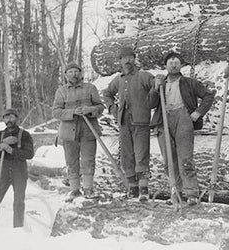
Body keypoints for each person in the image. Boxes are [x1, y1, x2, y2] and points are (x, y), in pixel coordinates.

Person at [149, 51, 215, 202]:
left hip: (183, 120)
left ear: (181, 66)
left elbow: (208, 95)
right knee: (169, 161)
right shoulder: (160, 83)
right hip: (163, 121)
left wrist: (198, 113)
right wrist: (155, 89)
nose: (173, 64)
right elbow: (151, 104)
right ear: (165, 66)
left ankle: (191, 194)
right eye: (170, 62)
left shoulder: (189, 83)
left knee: (185, 158)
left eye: (176, 62)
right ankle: (175, 194)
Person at [101, 46, 159, 199]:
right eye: (124, 58)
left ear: (134, 59)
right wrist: (113, 108)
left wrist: (158, 81)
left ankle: (144, 190)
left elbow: (155, 83)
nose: (127, 60)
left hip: (141, 122)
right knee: (127, 155)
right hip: (124, 123)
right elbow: (107, 93)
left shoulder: (143, 76)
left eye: (130, 57)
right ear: (119, 61)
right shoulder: (118, 79)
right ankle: (132, 188)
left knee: (141, 154)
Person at [52, 62, 104, 200]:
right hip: (69, 132)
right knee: (71, 161)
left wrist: (90, 110)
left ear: (80, 73)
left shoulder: (90, 88)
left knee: (88, 160)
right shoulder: (61, 91)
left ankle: (88, 188)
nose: (74, 74)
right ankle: (74, 189)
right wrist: (73, 112)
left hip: (88, 130)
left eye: (76, 71)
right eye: (70, 72)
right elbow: (56, 112)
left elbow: (100, 107)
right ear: (65, 75)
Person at [0, 107, 34, 228]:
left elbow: (29, 154)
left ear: (17, 119)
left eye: (11, 117)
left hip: (19, 170)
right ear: (3, 120)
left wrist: (11, 150)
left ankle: (18, 229)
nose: (9, 120)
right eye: (6, 117)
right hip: (4, 169)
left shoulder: (25, 135)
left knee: (18, 201)